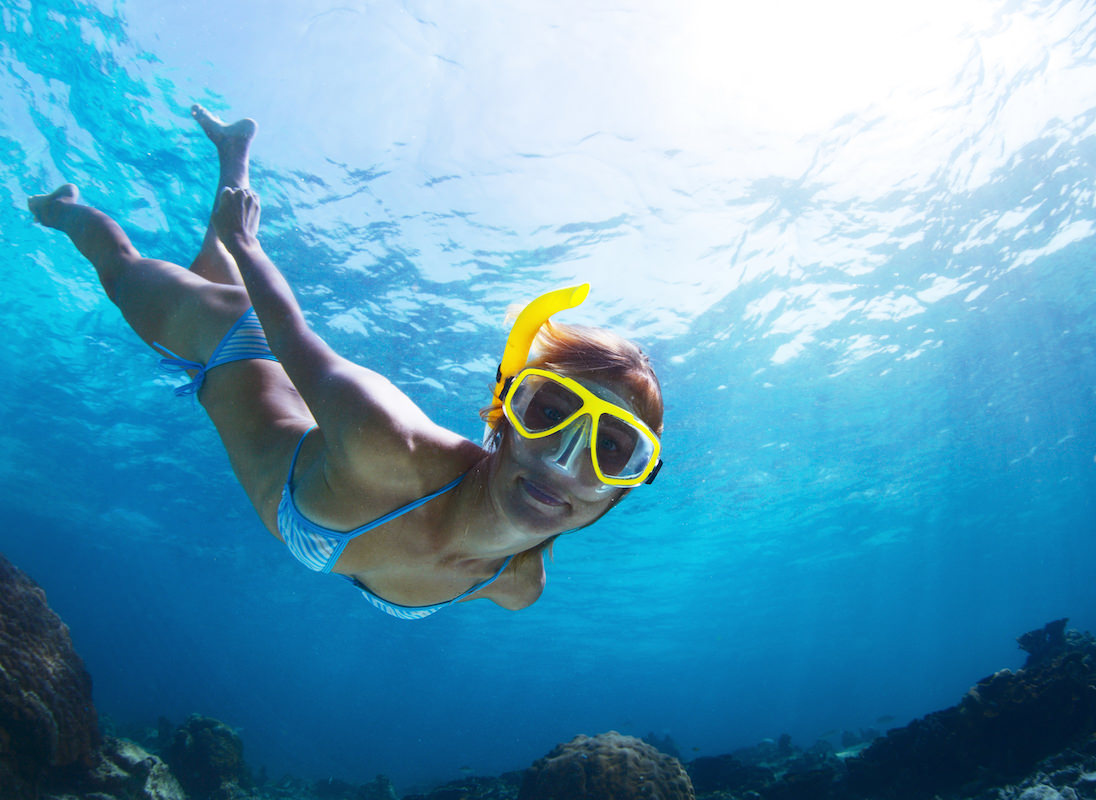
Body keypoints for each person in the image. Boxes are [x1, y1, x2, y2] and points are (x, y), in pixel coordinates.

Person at [27, 105, 664, 619]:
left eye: (614, 449)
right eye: (548, 413)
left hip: (289, 405)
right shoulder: (387, 442)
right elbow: (291, 337)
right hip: (232, 342)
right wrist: (245, 243)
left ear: (627, 488)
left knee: (204, 271)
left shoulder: (516, 585)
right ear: (502, 414)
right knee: (123, 273)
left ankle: (232, 156)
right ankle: (60, 208)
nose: (562, 460)